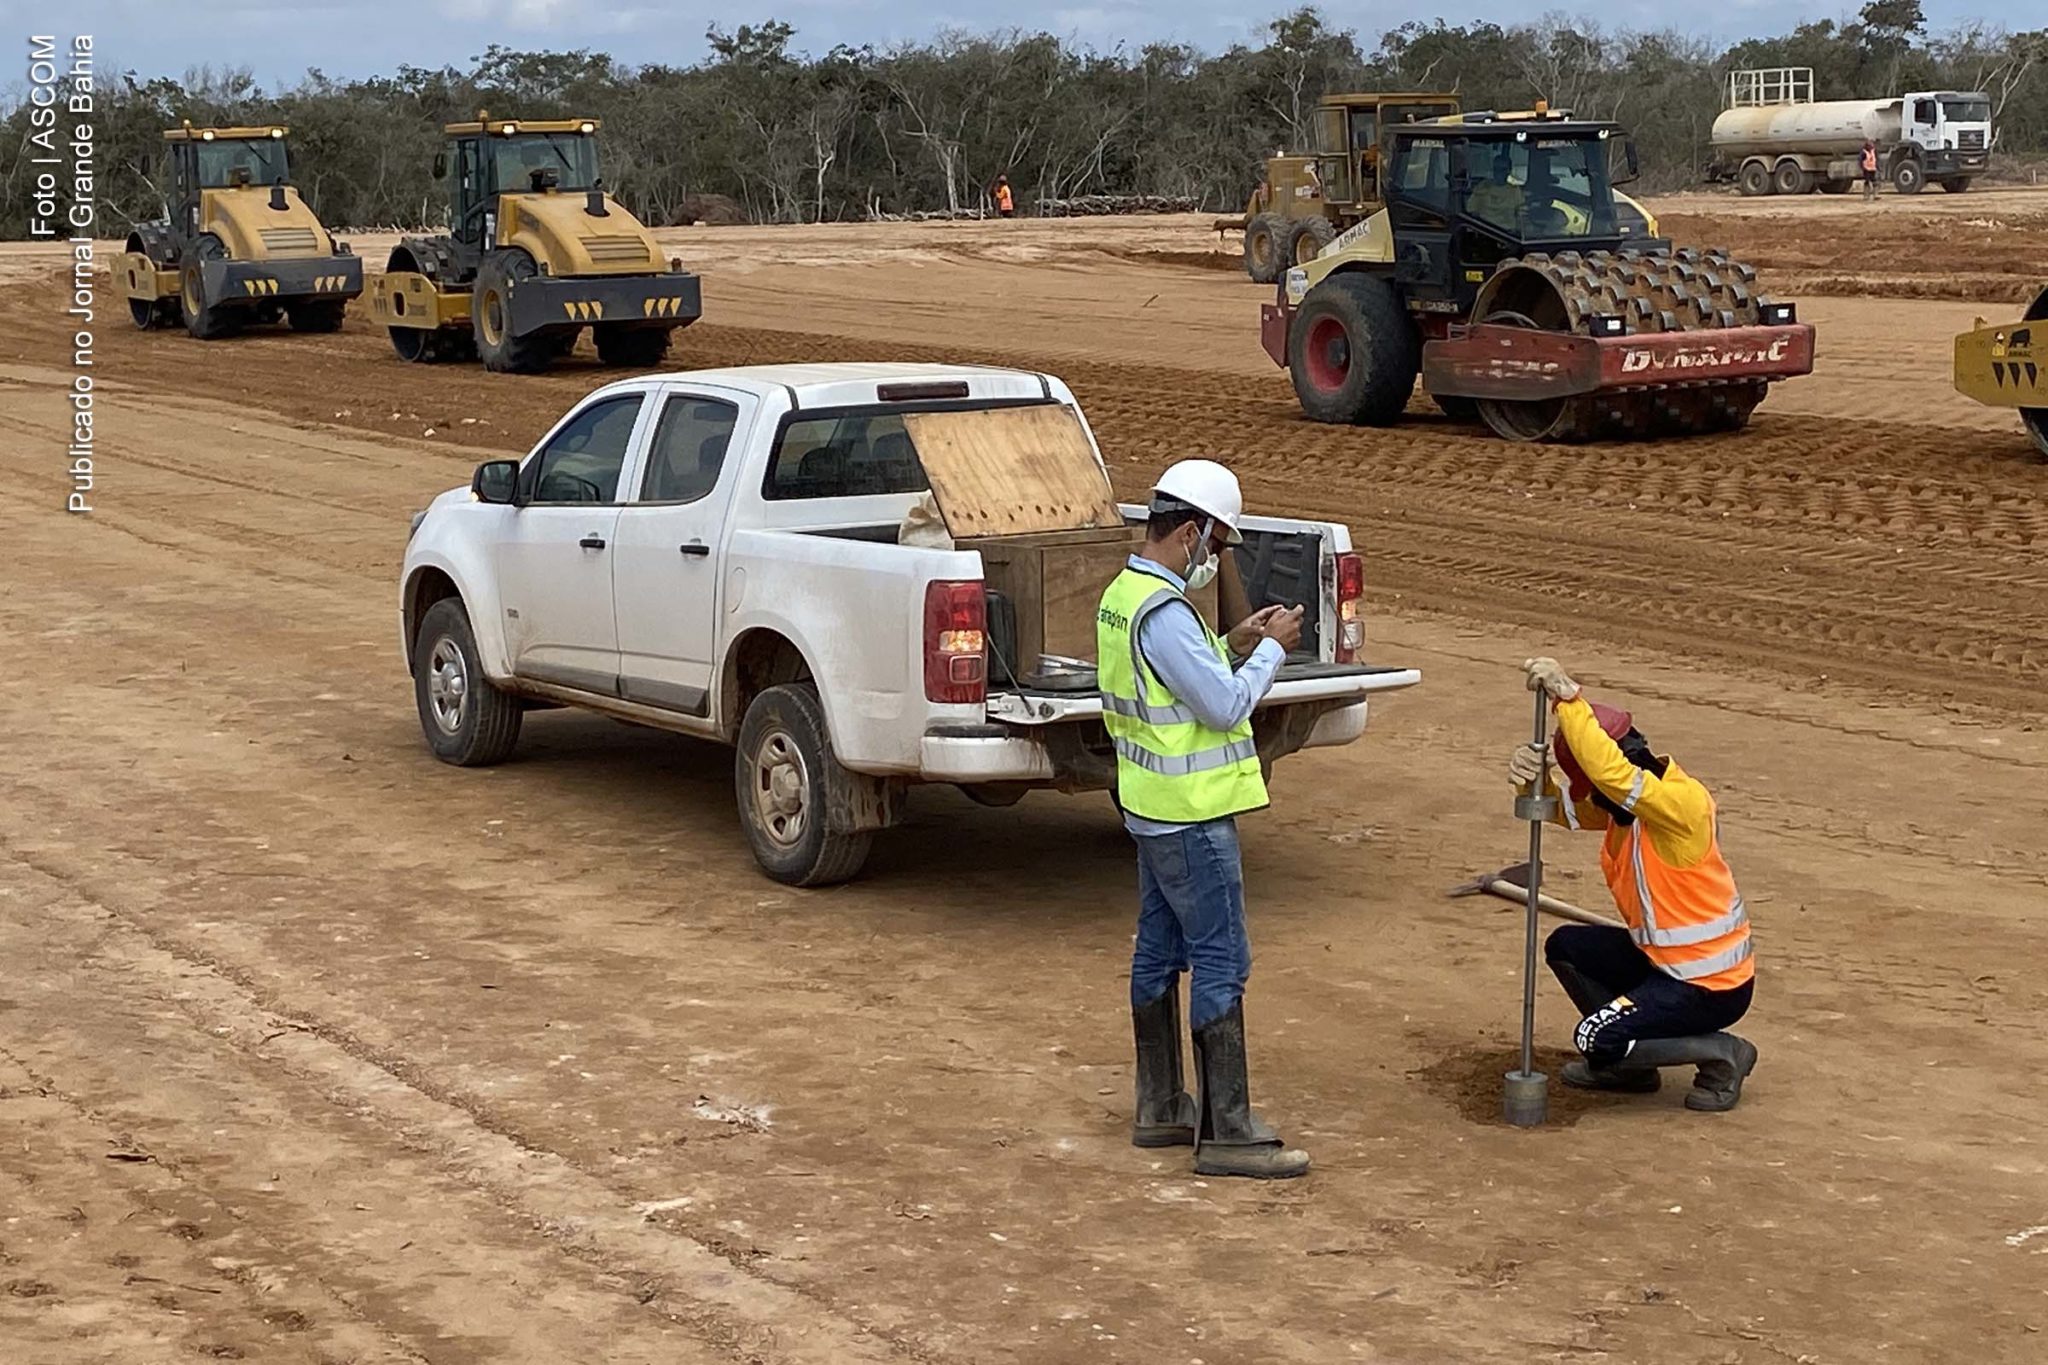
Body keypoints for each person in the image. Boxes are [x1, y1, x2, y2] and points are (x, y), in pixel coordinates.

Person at [1097, 459, 1309, 1179]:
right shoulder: (1165, 611)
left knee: (1157, 952)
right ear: (1189, 533)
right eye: (1215, 546)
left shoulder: (1124, 598)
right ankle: (1229, 1129)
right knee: (1222, 958)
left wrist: (1232, 643)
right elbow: (1221, 706)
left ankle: (1161, 1108)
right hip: (1193, 819)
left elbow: (1175, 682)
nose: (1214, 560)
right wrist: (1274, 650)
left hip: (1151, 813)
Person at [1508, 657, 1759, 1111]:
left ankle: (1723, 1052)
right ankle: (1632, 1064)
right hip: (1664, 965)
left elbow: (1611, 777)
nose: (1592, 796)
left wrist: (1569, 701)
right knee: (1566, 945)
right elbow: (1561, 810)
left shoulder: (1679, 804)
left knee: (1592, 1036)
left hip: (1711, 986)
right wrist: (1535, 780)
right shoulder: (1625, 811)